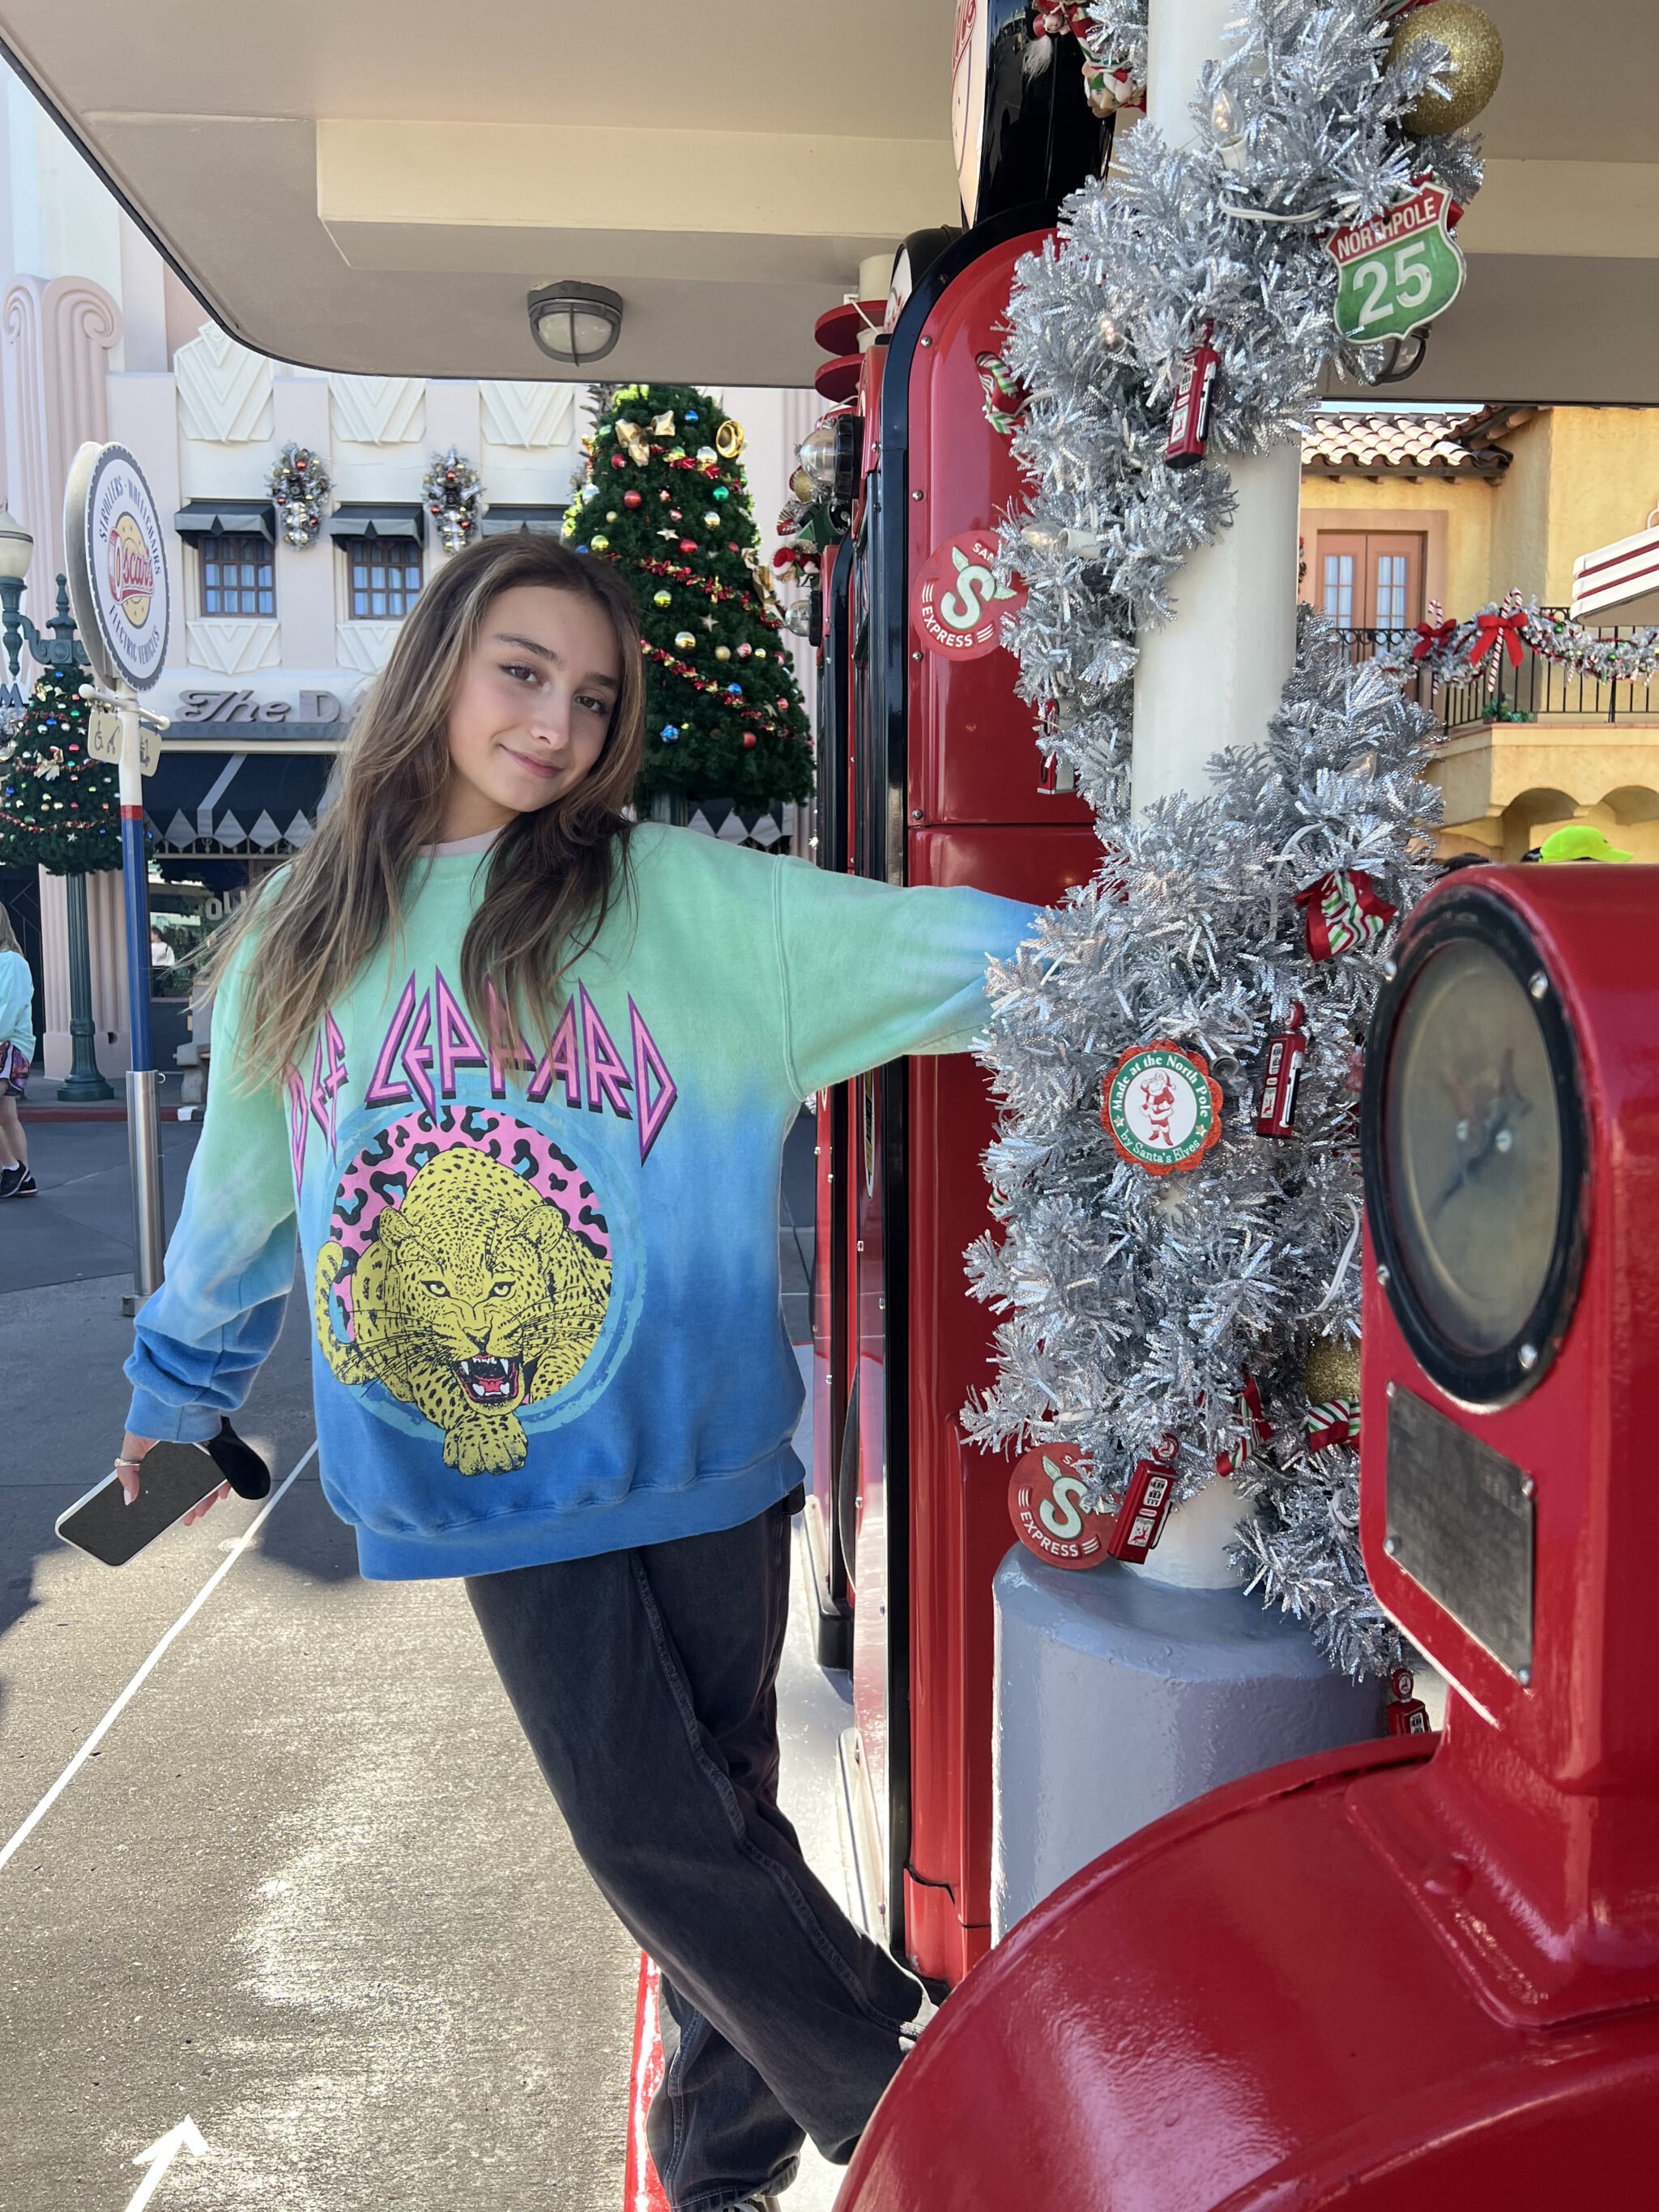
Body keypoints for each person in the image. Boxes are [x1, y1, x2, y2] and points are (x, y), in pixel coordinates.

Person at [110, 533, 1038, 2212]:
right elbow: (237, 1218)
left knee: (720, 1831)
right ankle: (917, 2091)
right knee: (650, 1834)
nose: (553, 722)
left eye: (592, 698)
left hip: (706, 1447)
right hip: (484, 1464)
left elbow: (934, 947)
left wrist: (1136, 965)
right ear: (440, 668)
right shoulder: (297, 943)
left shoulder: (679, 900)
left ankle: (716, 2164)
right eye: (521, 672)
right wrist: (170, 1413)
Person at [0, 899, 36, 1199]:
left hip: (9, 1046)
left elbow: (8, 1010)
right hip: (6, 1045)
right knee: (7, 1114)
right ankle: (24, 1177)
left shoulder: (12, 961)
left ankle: (12, 1168)